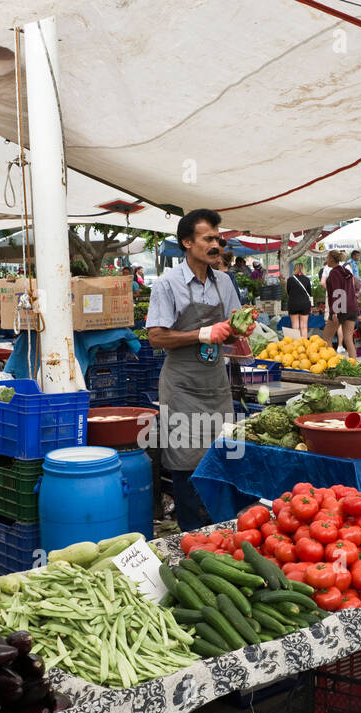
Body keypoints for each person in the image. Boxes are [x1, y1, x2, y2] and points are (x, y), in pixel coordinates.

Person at [146, 208, 251, 531]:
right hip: (182, 386)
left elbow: (232, 327)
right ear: (187, 242)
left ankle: (222, 527)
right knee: (184, 459)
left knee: (223, 453)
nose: (216, 244)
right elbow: (155, 337)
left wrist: (240, 328)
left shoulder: (224, 282)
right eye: (208, 238)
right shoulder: (167, 284)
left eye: (218, 238)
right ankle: (190, 534)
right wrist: (203, 334)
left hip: (215, 383)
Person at [323, 250, 360, 357]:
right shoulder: (346, 272)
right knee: (348, 339)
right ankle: (353, 365)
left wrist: (334, 312)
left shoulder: (334, 272)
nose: (326, 260)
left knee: (327, 338)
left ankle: (332, 364)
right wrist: (357, 311)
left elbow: (337, 291)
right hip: (352, 307)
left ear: (331, 259)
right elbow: (352, 291)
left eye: (327, 258)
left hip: (340, 307)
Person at [287, 263, 313, 339]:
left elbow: (288, 291)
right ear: (303, 269)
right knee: (304, 326)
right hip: (304, 304)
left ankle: (296, 346)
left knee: (295, 326)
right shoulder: (307, 279)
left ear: (294, 269)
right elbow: (309, 293)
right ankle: (304, 346)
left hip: (293, 304)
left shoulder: (290, 279)